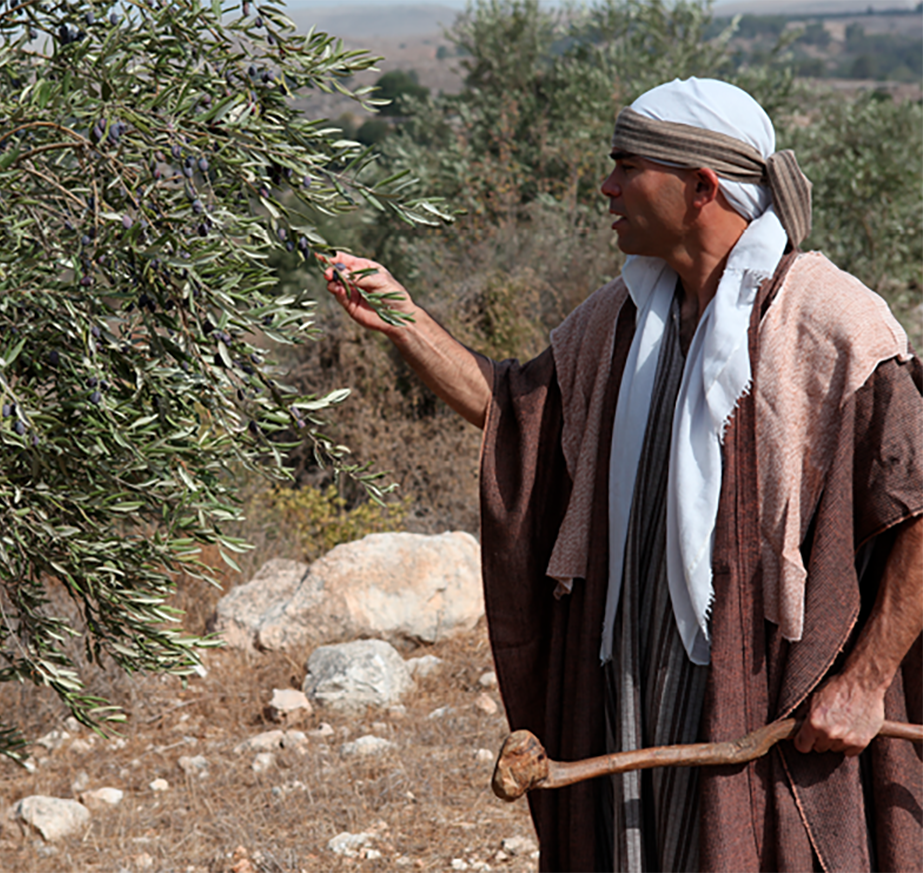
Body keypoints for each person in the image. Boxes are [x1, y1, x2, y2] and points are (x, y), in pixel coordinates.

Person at [323, 78, 923, 872]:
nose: (604, 188)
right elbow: (512, 405)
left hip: (761, 692)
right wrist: (401, 315)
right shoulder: (618, 319)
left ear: (700, 187)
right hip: (627, 682)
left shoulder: (833, 323)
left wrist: (866, 678)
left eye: (624, 167)